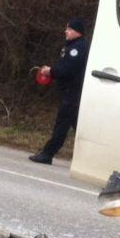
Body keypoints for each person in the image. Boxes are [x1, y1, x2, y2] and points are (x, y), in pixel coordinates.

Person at [29, 18, 89, 164]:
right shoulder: (71, 46)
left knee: (62, 124)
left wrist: (51, 71)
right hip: (69, 92)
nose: (65, 31)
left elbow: (68, 70)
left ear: (77, 32)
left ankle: (48, 153)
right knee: (79, 125)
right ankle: (92, 156)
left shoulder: (78, 48)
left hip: (73, 92)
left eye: (69, 29)